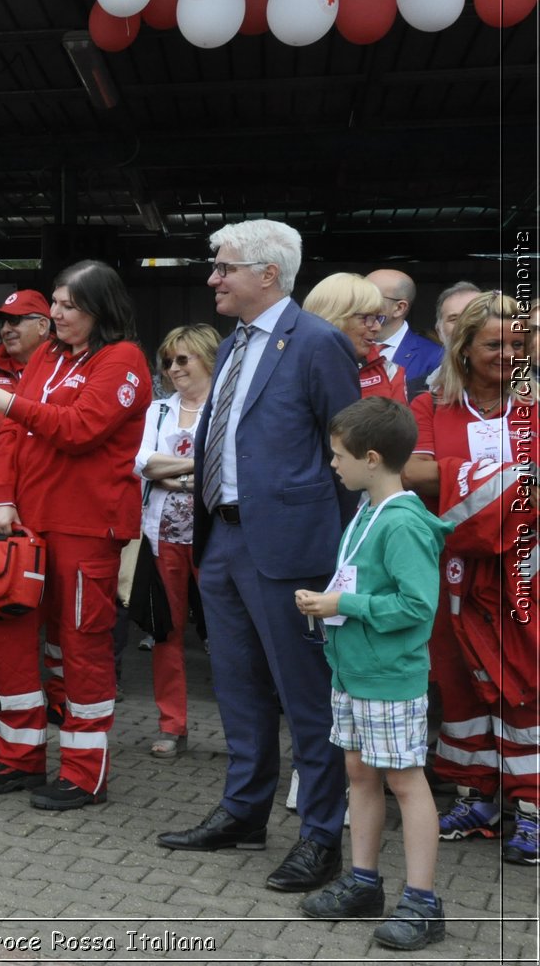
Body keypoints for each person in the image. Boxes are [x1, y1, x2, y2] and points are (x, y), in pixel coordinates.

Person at [156, 219, 359, 894]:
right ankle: (243, 813)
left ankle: (321, 835)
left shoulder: (319, 343)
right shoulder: (238, 342)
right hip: (225, 538)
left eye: (225, 267)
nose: (214, 277)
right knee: (238, 688)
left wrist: (338, 552)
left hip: (290, 547)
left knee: (305, 699)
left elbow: (348, 458)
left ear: (267, 275)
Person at [0, 260, 151, 810]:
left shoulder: (124, 361)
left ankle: (83, 772)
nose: (57, 313)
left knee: (80, 646)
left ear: (101, 308)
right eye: (56, 302)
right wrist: (1, 499)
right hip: (25, 524)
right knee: (10, 636)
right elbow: (12, 437)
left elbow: (79, 430)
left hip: (87, 526)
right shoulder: (48, 355)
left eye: (69, 305)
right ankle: (19, 758)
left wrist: (9, 402)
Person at [292, 398, 451, 950]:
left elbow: (416, 607)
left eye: (339, 456)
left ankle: (424, 902)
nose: (333, 464)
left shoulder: (403, 524)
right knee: (359, 773)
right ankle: (364, 882)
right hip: (353, 670)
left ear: (373, 458)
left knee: (405, 780)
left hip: (389, 675)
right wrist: (332, 605)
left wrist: (344, 603)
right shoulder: (366, 509)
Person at [403, 292, 538, 865]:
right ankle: (477, 795)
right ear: (462, 347)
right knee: (458, 685)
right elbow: (411, 472)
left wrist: (458, 478)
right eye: (494, 344)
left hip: (525, 574)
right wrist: (514, 480)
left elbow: (439, 481)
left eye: (519, 343)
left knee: (526, 683)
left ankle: (531, 808)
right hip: (451, 574)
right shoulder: (429, 407)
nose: (508, 354)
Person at [134, 323, 220, 759]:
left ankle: (242, 731)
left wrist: (177, 471)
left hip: (214, 536)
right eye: (168, 361)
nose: (173, 368)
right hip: (162, 534)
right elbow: (144, 462)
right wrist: (194, 467)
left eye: (183, 359)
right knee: (165, 632)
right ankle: (173, 725)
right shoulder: (160, 411)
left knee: (226, 634)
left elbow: (225, 465)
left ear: (208, 358)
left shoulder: (226, 406)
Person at [0, 289, 52, 728]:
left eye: (18, 320)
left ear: (45, 325)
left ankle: (58, 695)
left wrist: (12, 410)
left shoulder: (59, 367)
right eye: (3, 320)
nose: (7, 328)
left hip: (44, 506)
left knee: (51, 610)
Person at [303, 273, 405, 403]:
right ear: (335, 318)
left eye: (378, 318)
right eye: (368, 318)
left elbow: (399, 423)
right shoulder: (289, 367)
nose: (377, 327)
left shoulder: (389, 372)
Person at [365, 269, 441, 391]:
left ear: (399, 308)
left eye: (370, 297)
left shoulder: (435, 356)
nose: (360, 302)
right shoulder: (348, 347)